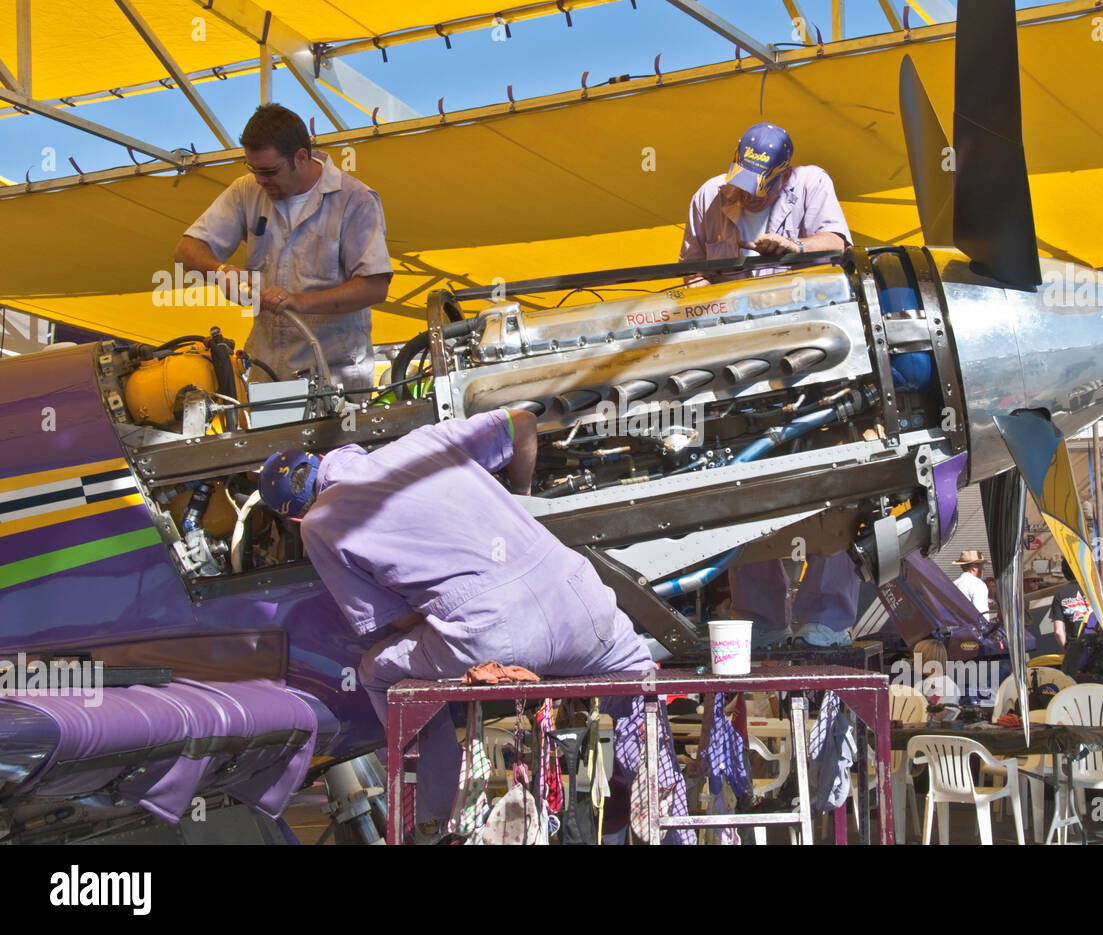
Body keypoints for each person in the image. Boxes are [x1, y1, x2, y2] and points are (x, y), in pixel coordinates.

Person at [259, 409, 653, 834]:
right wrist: (519, 496)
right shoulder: (422, 441)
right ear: (321, 459)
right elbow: (521, 422)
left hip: (493, 630)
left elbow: (393, 621)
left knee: (379, 674)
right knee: (635, 674)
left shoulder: (318, 524)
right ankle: (645, 785)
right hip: (582, 597)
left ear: (294, 516)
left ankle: (436, 818)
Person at [679, 122, 858, 647]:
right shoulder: (708, 197)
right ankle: (761, 621)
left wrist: (794, 249)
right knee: (742, 480)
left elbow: (837, 242)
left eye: (765, 181)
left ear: (784, 175)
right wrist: (707, 303)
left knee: (832, 480)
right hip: (736, 365)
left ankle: (824, 619)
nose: (752, 190)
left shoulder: (812, 183)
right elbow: (689, 271)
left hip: (811, 359)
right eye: (746, 177)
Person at [175, 103, 393, 395]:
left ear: (301, 157)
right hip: (268, 372)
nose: (260, 180)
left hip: (335, 373)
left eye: (269, 171)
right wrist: (221, 271)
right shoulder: (245, 191)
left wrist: (298, 303)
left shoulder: (354, 200)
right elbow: (186, 250)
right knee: (272, 441)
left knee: (336, 443)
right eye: (252, 169)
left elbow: (375, 286)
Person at [1049, 562, 1097, 649]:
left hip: (1074, 649)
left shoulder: (1060, 595)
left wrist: (1066, 651)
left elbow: (1058, 631)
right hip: (1097, 646)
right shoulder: (1095, 590)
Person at [952, 549, 991, 620]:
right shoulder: (978, 584)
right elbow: (982, 615)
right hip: (973, 629)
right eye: (982, 566)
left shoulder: (954, 584)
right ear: (973, 567)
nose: (983, 569)